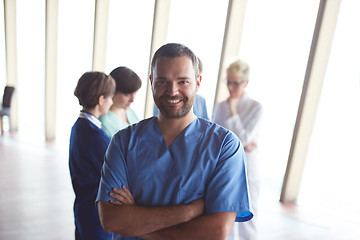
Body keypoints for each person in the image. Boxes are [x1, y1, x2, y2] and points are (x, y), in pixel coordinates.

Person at [96, 43, 253, 240]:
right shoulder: (123, 142)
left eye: (183, 82)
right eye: (162, 81)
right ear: (152, 81)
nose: (172, 91)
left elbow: (216, 231)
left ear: (198, 82)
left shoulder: (225, 146)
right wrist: (192, 210)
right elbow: (112, 220)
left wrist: (138, 222)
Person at [213, 59, 263, 240]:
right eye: (228, 82)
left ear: (246, 83)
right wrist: (242, 143)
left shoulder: (256, 107)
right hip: (224, 168)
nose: (231, 87)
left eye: (236, 83)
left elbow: (243, 139)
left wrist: (233, 111)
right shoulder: (220, 106)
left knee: (249, 218)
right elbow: (214, 140)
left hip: (248, 168)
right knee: (226, 217)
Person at [69, 71, 115, 240]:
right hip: (96, 215)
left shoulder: (78, 127)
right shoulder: (95, 136)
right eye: (110, 97)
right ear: (100, 100)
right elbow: (114, 173)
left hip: (83, 208)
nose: (112, 102)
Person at [100, 66, 142, 137]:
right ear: (113, 91)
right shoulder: (103, 122)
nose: (132, 100)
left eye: (134, 94)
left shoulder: (130, 112)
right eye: (127, 94)